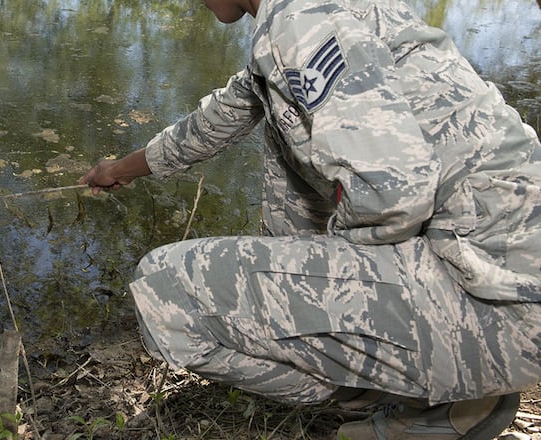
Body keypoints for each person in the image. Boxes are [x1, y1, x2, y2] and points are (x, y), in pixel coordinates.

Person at [79, 0, 541, 438]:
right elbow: (213, 122)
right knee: (284, 134)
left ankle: (436, 398)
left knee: (163, 290)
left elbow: (396, 195)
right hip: (507, 275)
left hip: (496, 305)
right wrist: (117, 170)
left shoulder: (299, 22)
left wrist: (325, 265)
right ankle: (436, 374)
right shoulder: (322, 12)